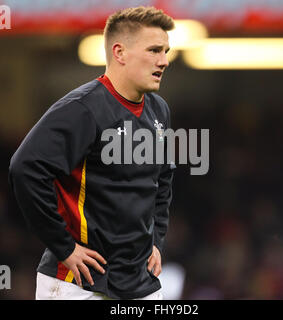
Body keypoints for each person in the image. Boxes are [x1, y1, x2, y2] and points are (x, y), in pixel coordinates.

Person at [8, 6, 175, 300]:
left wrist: (157, 240)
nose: (164, 60)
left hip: (139, 283)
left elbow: (162, 180)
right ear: (120, 52)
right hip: (76, 284)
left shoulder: (159, 111)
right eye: (154, 50)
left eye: (165, 51)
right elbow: (25, 168)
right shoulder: (83, 109)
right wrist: (64, 247)